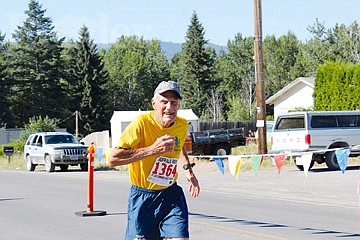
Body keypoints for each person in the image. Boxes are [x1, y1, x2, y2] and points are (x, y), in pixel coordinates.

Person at [109, 80, 200, 240]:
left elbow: (179, 146)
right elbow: (113, 159)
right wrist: (152, 150)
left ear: (179, 105)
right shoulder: (141, 123)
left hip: (170, 194)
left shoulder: (181, 124)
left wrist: (188, 170)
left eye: (174, 103)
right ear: (154, 103)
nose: (169, 108)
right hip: (143, 197)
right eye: (164, 102)